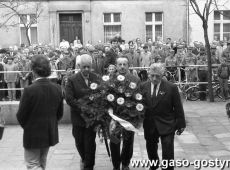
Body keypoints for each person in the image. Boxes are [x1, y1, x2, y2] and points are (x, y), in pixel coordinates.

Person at [16, 55, 63, 170]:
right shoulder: (57, 88)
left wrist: (29, 126)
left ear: (33, 71)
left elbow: (21, 115)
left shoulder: (29, 90)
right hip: (49, 131)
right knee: (42, 163)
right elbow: (59, 113)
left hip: (33, 133)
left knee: (33, 164)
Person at [140, 63, 186, 170]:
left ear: (163, 75)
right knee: (151, 147)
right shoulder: (143, 86)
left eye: (158, 76)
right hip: (149, 123)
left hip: (167, 123)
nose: (155, 78)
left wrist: (181, 124)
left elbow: (178, 107)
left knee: (168, 149)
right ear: (149, 74)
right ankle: (154, 165)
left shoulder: (171, 87)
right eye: (152, 76)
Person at [65, 54, 101, 170]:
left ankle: (89, 166)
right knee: (79, 142)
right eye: (84, 67)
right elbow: (69, 98)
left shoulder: (96, 78)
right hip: (78, 117)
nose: (86, 69)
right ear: (79, 66)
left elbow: (101, 94)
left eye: (88, 67)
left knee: (90, 144)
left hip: (92, 119)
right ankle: (84, 159)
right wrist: (83, 108)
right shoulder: (72, 80)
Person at [110, 56, 140, 170]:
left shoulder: (135, 80)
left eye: (124, 64)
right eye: (120, 64)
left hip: (129, 117)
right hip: (114, 116)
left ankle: (125, 163)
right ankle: (116, 165)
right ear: (116, 66)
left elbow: (139, 97)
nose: (122, 67)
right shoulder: (110, 79)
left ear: (128, 66)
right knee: (114, 141)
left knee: (128, 141)